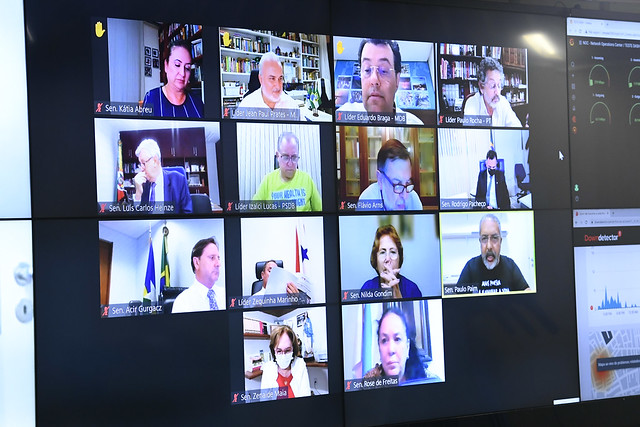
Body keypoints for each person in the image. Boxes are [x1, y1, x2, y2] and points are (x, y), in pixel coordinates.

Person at [336, 39, 423, 125]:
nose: (374, 80)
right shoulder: (343, 116)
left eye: (384, 71)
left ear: (397, 80)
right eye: (367, 70)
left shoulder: (415, 125)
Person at [456, 214, 530, 293]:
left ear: (500, 241)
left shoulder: (510, 266)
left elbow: (527, 291)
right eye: (484, 238)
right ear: (480, 242)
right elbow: (457, 297)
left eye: (494, 238)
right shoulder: (470, 267)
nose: (489, 246)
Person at [253, 132, 322, 211]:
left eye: (294, 157)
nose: (290, 164)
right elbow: (252, 212)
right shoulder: (267, 181)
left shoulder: (307, 179)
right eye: (285, 157)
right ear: (278, 156)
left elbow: (321, 211)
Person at [364, 308, 431, 385]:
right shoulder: (368, 384)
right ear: (379, 348)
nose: (391, 350)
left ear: (407, 347)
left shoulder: (427, 381)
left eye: (397, 339)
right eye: (384, 340)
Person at [142, 40, 203, 118]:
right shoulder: (151, 97)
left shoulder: (197, 101)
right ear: (166, 66)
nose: (182, 73)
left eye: (187, 68)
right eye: (177, 65)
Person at [357, 139, 422, 211]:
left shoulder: (413, 199)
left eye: (407, 182)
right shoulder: (367, 202)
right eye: (397, 184)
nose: (405, 196)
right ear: (380, 179)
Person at [360, 225, 421, 298]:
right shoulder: (367, 289)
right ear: (376, 260)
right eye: (382, 252)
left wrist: (399, 300)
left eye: (393, 252)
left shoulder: (412, 290)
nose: (387, 259)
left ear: (399, 259)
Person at [133, 139, 192, 214]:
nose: (141, 169)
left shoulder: (178, 180)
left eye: (143, 163)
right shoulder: (143, 184)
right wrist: (138, 192)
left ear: (155, 161)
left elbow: (187, 213)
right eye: (140, 164)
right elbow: (137, 216)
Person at [463, 57, 522, 127]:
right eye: (492, 85)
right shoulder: (472, 103)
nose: (497, 92)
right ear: (481, 87)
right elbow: (469, 132)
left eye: (499, 85)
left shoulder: (503, 102)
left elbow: (517, 128)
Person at [172, 237, 225, 313]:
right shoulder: (183, 302)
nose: (218, 264)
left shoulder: (226, 296)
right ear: (196, 263)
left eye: (218, 258)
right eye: (212, 258)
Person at [260, 325, 311, 399]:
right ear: (273, 350)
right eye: (279, 351)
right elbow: (264, 399)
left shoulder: (300, 365)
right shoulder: (268, 369)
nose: (283, 355)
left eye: (287, 350)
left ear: (293, 348)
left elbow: (306, 396)